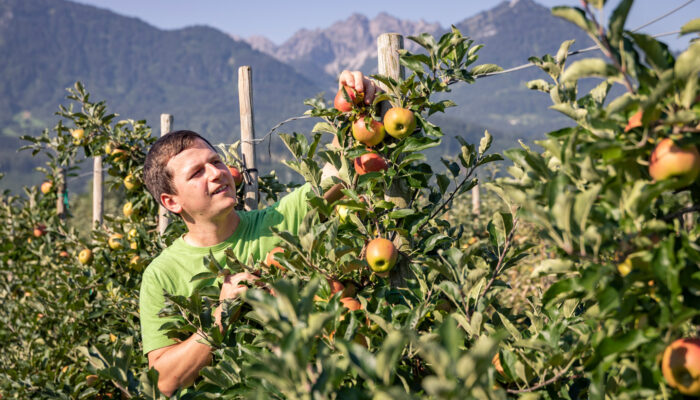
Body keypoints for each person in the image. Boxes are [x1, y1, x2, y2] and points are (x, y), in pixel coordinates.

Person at [139, 70, 378, 397]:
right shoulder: (162, 275)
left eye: (216, 161)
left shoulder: (280, 220)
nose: (217, 173)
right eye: (197, 172)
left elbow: (337, 167)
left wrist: (353, 103)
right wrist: (222, 314)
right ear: (171, 201)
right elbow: (163, 382)